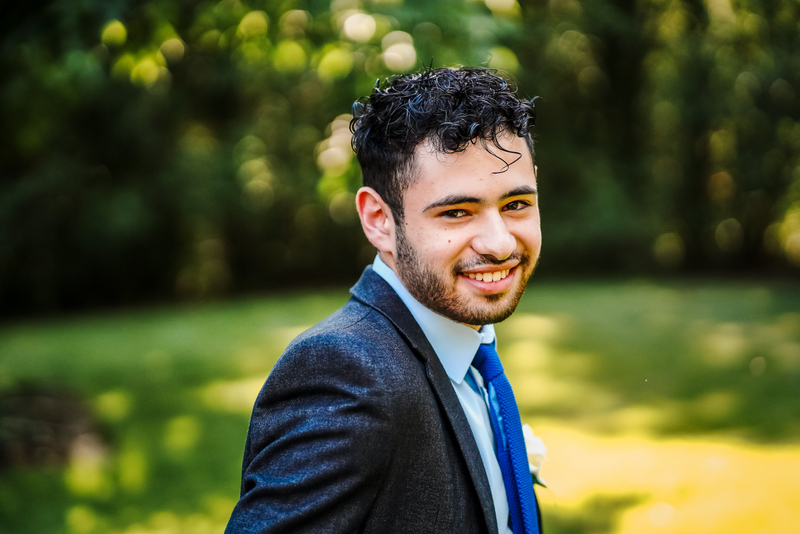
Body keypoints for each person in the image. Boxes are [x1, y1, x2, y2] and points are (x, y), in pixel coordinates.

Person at [226, 67, 542, 534]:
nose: (499, 244)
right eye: (457, 212)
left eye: (516, 205)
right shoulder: (346, 375)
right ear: (379, 219)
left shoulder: (468, 349)